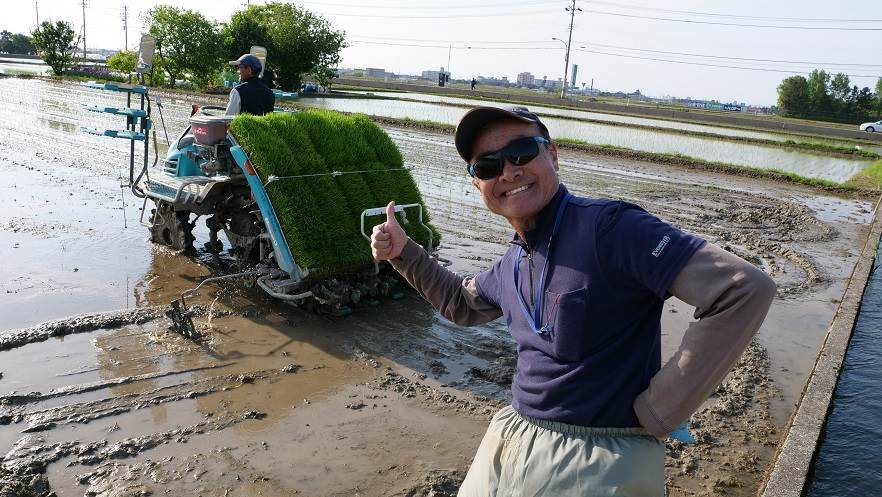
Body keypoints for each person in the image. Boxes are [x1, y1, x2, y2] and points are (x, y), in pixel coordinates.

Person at [371, 106, 776, 496]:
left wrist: (660, 410)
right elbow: (460, 302)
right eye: (488, 166)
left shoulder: (610, 227)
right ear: (478, 183)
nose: (509, 171)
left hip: (598, 457)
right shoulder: (514, 260)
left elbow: (742, 289)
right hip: (510, 439)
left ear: (552, 154)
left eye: (522, 152)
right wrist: (404, 253)